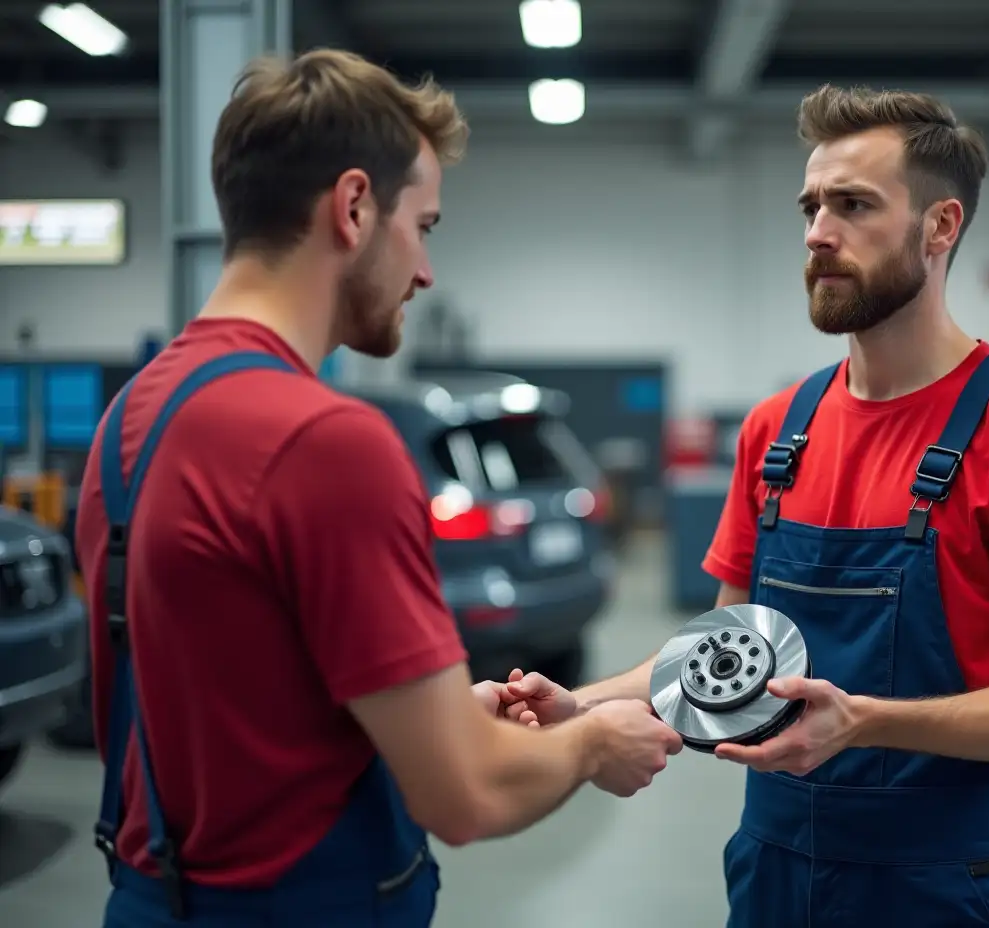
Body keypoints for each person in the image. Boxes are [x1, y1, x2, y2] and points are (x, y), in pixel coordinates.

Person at [74, 48, 682, 928]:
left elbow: (228, 707)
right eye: (424, 225)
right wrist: (593, 740)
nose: (427, 271)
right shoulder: (326, 440)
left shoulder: (135, 417)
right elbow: (467, 798)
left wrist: (435, 716)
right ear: (354, 207)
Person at [498, 85, 989, 927]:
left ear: (940, 227)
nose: (817, 234)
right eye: (811, 206)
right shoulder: (777, 431)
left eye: (853, 205)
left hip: (938, 880)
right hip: (773, 868)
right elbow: (718, 656)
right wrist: (586, 705)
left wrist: (862, 723)